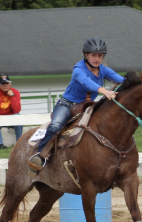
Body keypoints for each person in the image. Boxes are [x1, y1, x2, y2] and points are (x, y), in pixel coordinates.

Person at [28, 37, 124, 171]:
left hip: (88, 107)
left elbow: (121, 80)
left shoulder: (103, 70)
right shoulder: (78, 69)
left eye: (100, 56)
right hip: (67, 105)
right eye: (93, 55)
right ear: (86, 55)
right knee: (55, 126)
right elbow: (86, 82)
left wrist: (138, 84)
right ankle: (40, 156)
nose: (97, 59)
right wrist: (104, 91)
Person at [0, 74, 23, 149]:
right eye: (3, 84)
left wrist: (12, 96)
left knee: (18, 116)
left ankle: (19, 141)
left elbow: (17, 110)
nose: (5, 85)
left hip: (12, 117)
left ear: (10, 84)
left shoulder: (15, 92)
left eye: (7, 83)